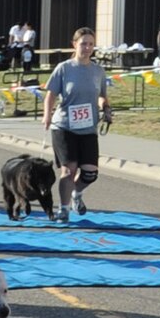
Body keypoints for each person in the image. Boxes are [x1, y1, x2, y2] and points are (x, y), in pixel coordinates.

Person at [42, 27, 111, 220]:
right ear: (74, 45)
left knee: (90, 173)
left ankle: (76, 194)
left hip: (88, 127)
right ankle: (63, 209)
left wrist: (105, 108)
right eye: (83, 44)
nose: (87, 48)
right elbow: (51, 95)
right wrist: (47, 115)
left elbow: (101, 96)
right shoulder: (64, 68)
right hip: (64, 126)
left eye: (91, 44)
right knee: (69, 169)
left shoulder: (98, 71)